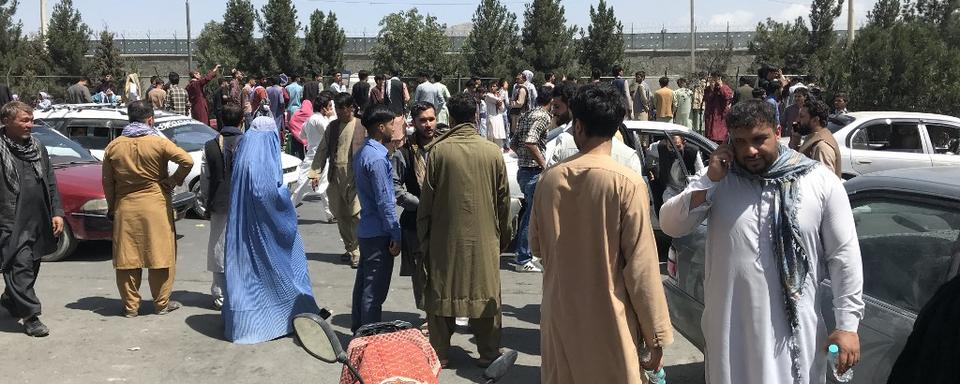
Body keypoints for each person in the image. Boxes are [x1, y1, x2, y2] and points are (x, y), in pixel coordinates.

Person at [659, 99, 864, 384]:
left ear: (777, 131)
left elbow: (845, 257)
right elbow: (671, 222)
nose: (750, 150)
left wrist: (848, 326)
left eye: (759, 139)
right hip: (731, 336)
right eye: (740, 142)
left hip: (794, 336)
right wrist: (709, 180)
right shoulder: (719, 181)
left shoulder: (819, 181)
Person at [531, 83, 674, 383]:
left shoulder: (549, 180)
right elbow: (642, 268)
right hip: (611, 318)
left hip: (560, 315)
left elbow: (537, 247)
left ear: (578, 126)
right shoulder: (628, 183)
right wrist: (656, 336)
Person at [417, 92, 511, 368]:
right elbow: (504, 200)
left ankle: (440, 353)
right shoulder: (492, 151)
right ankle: (487, 352)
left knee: (441, 291)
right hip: (484, 238)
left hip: (444, 238)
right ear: (475, 117)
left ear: (452, 119)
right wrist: (503, 236)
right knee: (485, 291)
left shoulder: (438, 151)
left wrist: (424, 239)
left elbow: (427, 202)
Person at [222, 116, 321, 344]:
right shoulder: (263, 155)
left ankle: (244, 322)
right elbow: (264, 193)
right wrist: (284, 196)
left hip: (243, 226)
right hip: (265, 228)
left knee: (247, 274)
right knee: (281, 269)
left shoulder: (245, 152)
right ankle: (278, 318)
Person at [102, 101, 194, 318]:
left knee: (127, 258)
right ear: (150, 119)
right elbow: (187, 161)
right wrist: (173, 181)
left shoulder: (114, 146)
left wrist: (112, 206)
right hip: (156, 206)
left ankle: (131, 307)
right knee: (160, 255)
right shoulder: (158, 143)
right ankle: (161, 304)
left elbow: (107, 182)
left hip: (125, 206)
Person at [0, 101, 64, 337]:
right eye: (24, 121)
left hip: (38, 218)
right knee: (21, 264)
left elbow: (50, 182)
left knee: (32, 263)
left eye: (31, 120)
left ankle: (10, 298)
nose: (30, 125)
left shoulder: (37, 146)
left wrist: (57, 212)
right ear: (6, 122)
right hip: (9, 219)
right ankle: (31, 316)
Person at [350, 105, 402, 333]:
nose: (394, 127)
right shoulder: (378, 159)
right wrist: (395, 233)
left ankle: (358, 331)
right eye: (391, 124)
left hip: (367, 230)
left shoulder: (364, 152)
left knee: (364, 285)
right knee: (374, 290)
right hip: (379, 232)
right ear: (381, 127)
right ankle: (369, 338)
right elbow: (385, 201)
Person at [200, 103, 244, 310]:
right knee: (242, 249)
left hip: (219, 204)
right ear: (241, 121)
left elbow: (205, 178)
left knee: (219, 249)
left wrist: (207, 202)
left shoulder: (210, 145)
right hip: (244, 205)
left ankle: (220, 296)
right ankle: (241, 293)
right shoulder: (248, 143)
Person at [309, 93, 362, 267]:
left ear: (351, 108)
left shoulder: (361, 126)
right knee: (341, 214)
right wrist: (315, 173)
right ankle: (350, 247)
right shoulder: (332, 127)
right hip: (335, 175)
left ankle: (357, 251)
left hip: (354, 175)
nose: (339, 113)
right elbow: (322, 151)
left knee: (356, 214)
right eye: (337, 109)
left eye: (342, 109)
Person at [392, 101, 436, 312]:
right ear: (414, 123)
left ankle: (442, 315)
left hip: (443, 220)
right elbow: (395, 187)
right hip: (415, 221)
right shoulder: (406, 151)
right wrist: (421, 204)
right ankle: (428, 314)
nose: (428, 124)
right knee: (421, 271)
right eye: (423, 120)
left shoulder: (445, 146)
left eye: (431, 119)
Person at [546, 82, 644, 173]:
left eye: (557, 107)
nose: (553, 112)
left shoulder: (562, 145)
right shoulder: (629, 159)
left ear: (578, 126)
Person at [509, 87, 552, 273]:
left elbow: (514, 143)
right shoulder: (543, 116)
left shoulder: (527, 114)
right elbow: (530, 141)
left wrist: (524, 158)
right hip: (533, 172)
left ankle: (528, 254)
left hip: (524, 170)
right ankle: (523, 258)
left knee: (530, 214)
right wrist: (545, 165)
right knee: (530, 217)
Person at [291, 91, 335, 220]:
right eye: (330, 107)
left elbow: (301, 135)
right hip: (317, 158)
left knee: (321, 186)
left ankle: (330, 213)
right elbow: (330, 132)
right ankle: (286, 210)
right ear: (323, 108)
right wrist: (331, 117)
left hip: (314, 155)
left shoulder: (310, 119)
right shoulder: (319, 119)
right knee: (303, 187)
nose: (332, 110)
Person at [653, 135, 704, 210]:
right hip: (670, 191)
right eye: (671, 147)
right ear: (666, 144)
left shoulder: (692, 152)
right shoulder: (660, 147)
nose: (675, 151)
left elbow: (701, 174)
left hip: (687, 191)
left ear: (684, 144)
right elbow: (649, 155)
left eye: (678, 147)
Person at [796, 99, 842, 178]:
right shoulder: (813, 138)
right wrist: (795, 136)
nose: (797, 120)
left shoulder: (822, 147)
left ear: (815, 120)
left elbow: (826, 183)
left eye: (802, 117)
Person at [703, 71, 733, 143]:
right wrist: (712, 89)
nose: (713, 80)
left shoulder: (725, 88)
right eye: (712, 78)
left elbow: (727, 97)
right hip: (711, 116)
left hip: (720, 116)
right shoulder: (708, 89)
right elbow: (706, 99)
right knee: (710, 137)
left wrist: (721, 87)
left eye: (715, 78)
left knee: (720, 137)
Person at [484, 80, 507, 148]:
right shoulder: (488, 95)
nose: (492, 88)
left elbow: (502, 108)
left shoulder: (498, 95)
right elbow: (498, 100)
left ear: (497, 87)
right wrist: (502, 93)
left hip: (499, 119)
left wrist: (499, 99)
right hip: (491, 118)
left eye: (494, 86)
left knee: (499, 139)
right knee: (490, 138)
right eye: (490, 86)